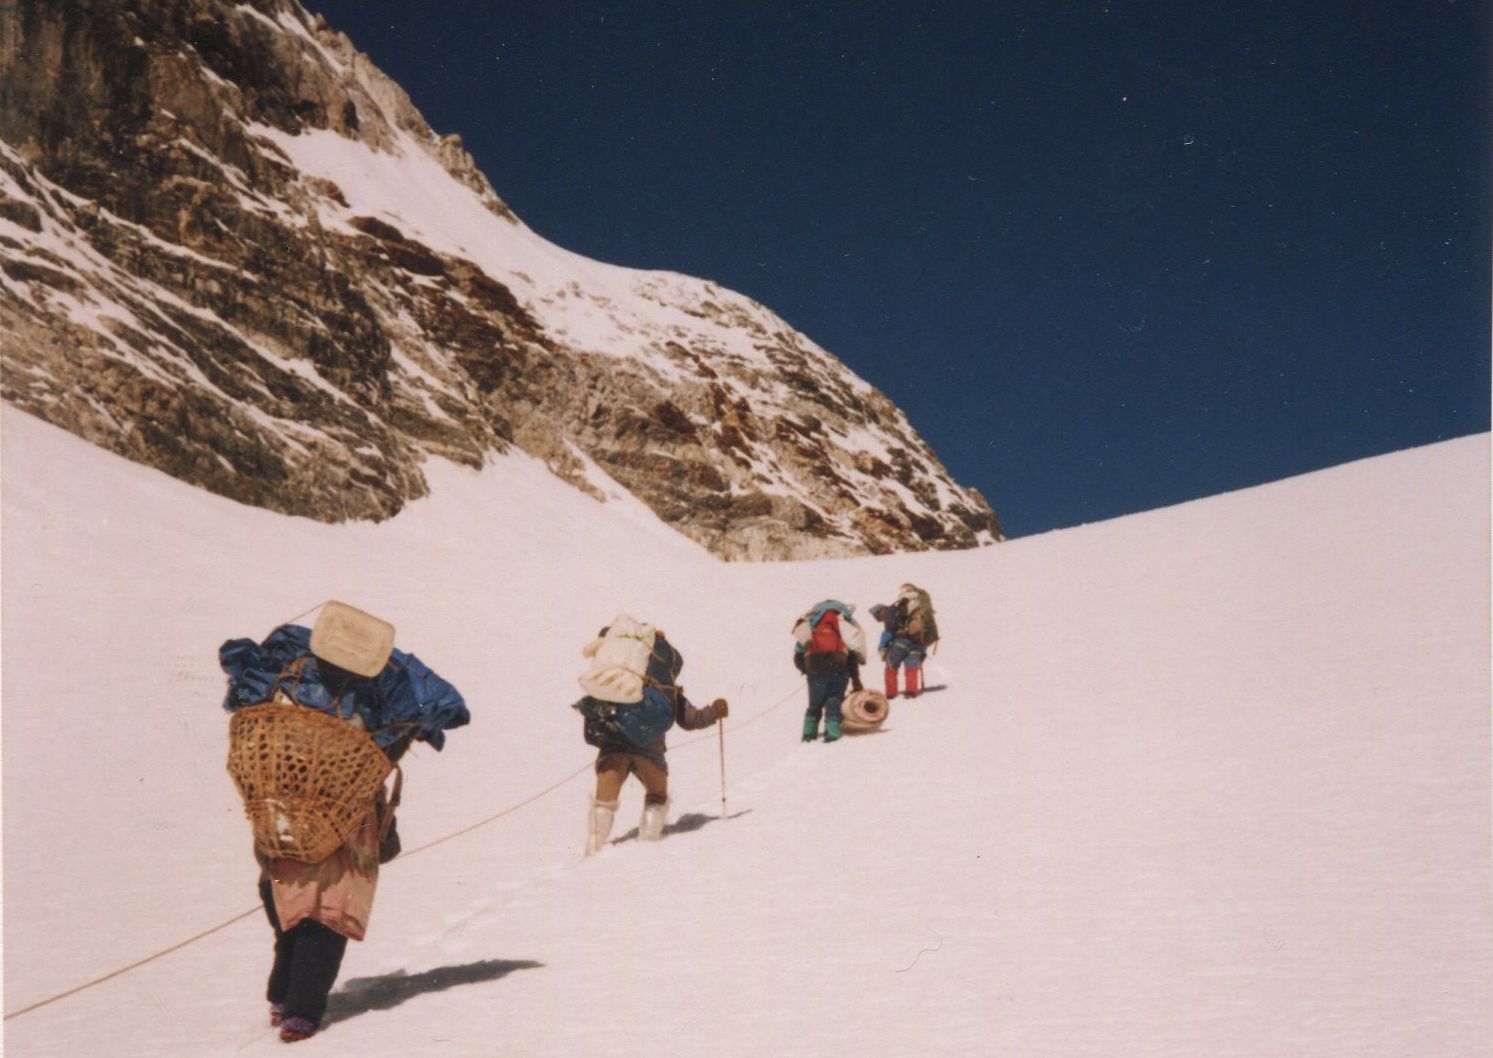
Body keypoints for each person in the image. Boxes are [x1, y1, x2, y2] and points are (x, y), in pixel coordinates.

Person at [220, 601, 469, 1043]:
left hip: (287, 812)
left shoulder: (287, 674)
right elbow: (387, 753)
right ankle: (296, 1003)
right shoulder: (382, 693)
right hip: (333, 815)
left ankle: (292, 999)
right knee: (319, 908)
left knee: (299, 903)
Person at [573, 618, 728, 854]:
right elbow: (690, 720)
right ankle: (647, 847)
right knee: (656, 796)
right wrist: (715, 712)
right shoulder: (664, 689)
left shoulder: (614, 681)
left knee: (604, 801)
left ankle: (592, 850)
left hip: (612, 748)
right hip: (650, 750)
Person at [792, 600, 867, 743]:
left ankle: (808, 735)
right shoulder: (845, 628)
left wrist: (806, 669)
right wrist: (856, 679)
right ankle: (831, 734)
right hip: (839, 670)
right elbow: (852, 659)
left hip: (815, 671)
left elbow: (797, 655)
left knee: (814, 704)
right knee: (834, 700)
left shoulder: (810, 627)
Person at [871, 583, 937, 698]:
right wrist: (923, 650)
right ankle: (911, 692)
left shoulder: (891, 610)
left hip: (900, 643)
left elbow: (889, 631)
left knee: (891, 667)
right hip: (917, 644)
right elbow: (924, 632)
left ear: (881, 611)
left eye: (878, 617)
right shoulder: (919, 608)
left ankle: (891, 693)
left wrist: (882, 647)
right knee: (911, 668)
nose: (880, 619)